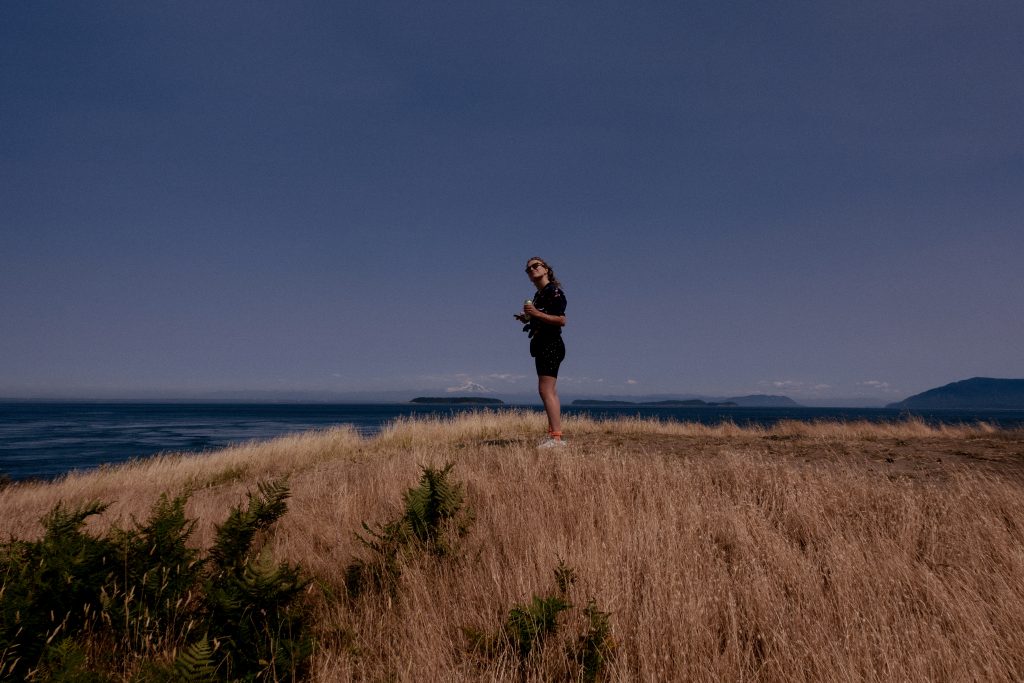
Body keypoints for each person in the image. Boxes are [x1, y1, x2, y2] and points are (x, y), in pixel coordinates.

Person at [515, 257, 567, 448]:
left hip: (551, 344)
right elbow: (543, 318)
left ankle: (556, 438)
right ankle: (554, 434)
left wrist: (536, 314)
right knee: (549, 391)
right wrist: (527, 318)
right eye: (528, 269)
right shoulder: (539, 295)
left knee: (545, 390)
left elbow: (561, 320)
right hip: (543, 344)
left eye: (536, 266)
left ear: (546, 269)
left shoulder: (554, 292)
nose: (532, 270)